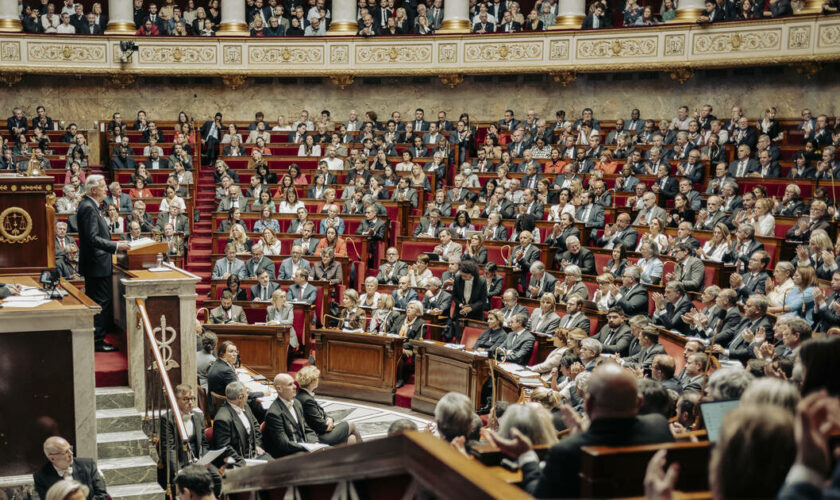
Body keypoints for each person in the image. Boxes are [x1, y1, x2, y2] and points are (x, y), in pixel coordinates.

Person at [484, 363, 674, 498]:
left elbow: (538, 495)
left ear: (588, 404)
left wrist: (526, 455)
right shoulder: (658, 426)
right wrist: (581, 436)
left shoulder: (567, 451)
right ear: (638, 402)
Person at [77, 175, 129, 352]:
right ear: (93, 190)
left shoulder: (90, 205)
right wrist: (115, 245)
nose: (106, 190)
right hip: (96, 264)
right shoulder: (88, 207)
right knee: (100, 302)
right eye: (103, 187)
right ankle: (97, 340)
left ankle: (96, 337)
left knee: (98, 300)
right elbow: (92, 238)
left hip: (96, 263)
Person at [295, 366, 363, 445]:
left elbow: (322, 413)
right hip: (318, 437)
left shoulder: (302, 395)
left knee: (352, 439)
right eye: (317, 378)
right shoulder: (307, 400)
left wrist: (329, 419)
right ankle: (366, 452)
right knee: (350, 424)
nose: (318, 380)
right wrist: (328, 424)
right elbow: (321, 426)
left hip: (320, 432)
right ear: (312, 381)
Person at [211, 382, 270, 466]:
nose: (247, 395)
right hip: (238, 461)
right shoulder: (222, 419)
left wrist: (257, 445)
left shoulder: (245, 406)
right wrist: (243, 463)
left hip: (255, 454)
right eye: (247, 393)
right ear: (240, 397)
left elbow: (256, 426)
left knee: (278, 467)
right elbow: (225, 449)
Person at [34, 436, 108, 500]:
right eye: (65, 452)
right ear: (52, 458)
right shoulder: (41, 476)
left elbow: (102, 495)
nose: (71, 453)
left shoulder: (88, 465)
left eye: (70, 449)